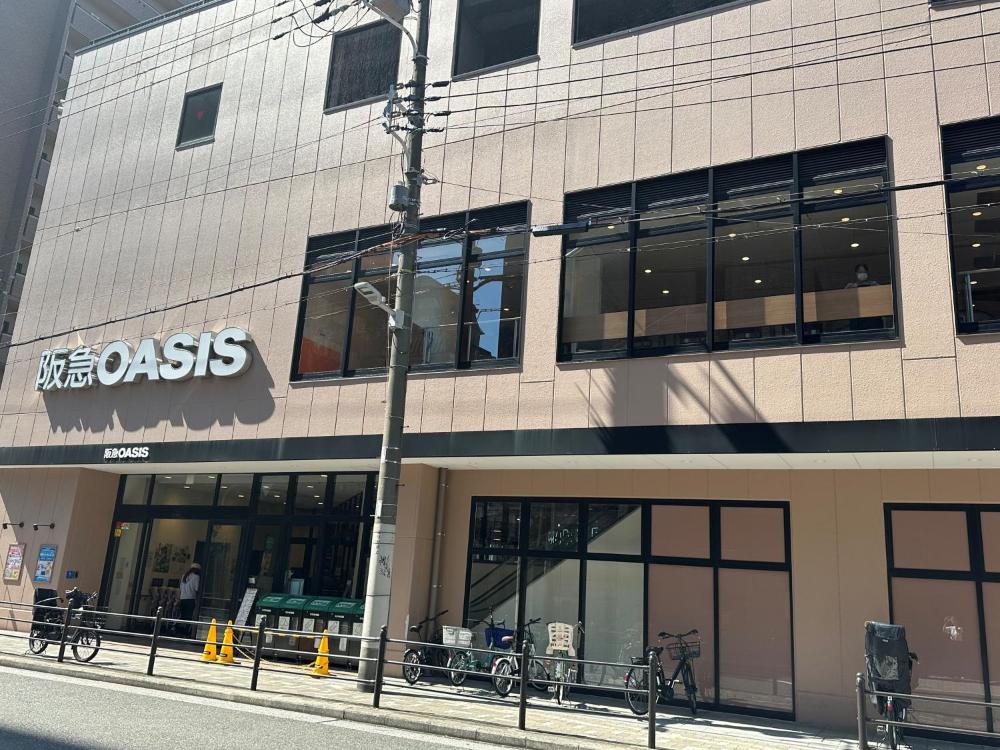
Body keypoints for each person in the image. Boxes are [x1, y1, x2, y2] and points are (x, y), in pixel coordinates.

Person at [178, 562, 201, 637]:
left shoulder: (184, 576)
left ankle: (177, 629)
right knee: (189, 616)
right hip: (190, 599)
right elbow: (197, 588)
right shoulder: (196, 577)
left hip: (182, 598)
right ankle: (186, 632)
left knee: (182, 615)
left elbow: (181, 588)